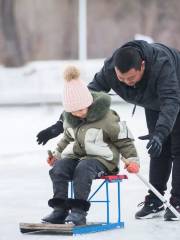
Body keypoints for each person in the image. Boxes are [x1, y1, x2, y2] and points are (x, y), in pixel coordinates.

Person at [37, 40, 180, 221]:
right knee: (158, 150)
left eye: (131, 78)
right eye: (122, 79)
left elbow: (171, 101)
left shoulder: (162, 65)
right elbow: (83, 97)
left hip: (174, 95)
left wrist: (160, 133)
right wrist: (60, 123)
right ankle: (156, 200)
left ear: (143, 66)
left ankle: (177, 200)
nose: (127, 83)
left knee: (176, 148)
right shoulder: (110, 70)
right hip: (153, 99)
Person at [42, 66, 140, 226]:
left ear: (88, 103)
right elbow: (66, 137)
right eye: (73, 111)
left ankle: (79, 213)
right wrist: (56, 154)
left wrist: (133, 160)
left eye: (80, 109)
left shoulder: (107, 117)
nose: (78, 114)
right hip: (79, 157)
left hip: (103, 160)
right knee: (59, 168)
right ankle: (59, 210)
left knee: (84, 167)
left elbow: (124, 140)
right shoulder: (70, 118)